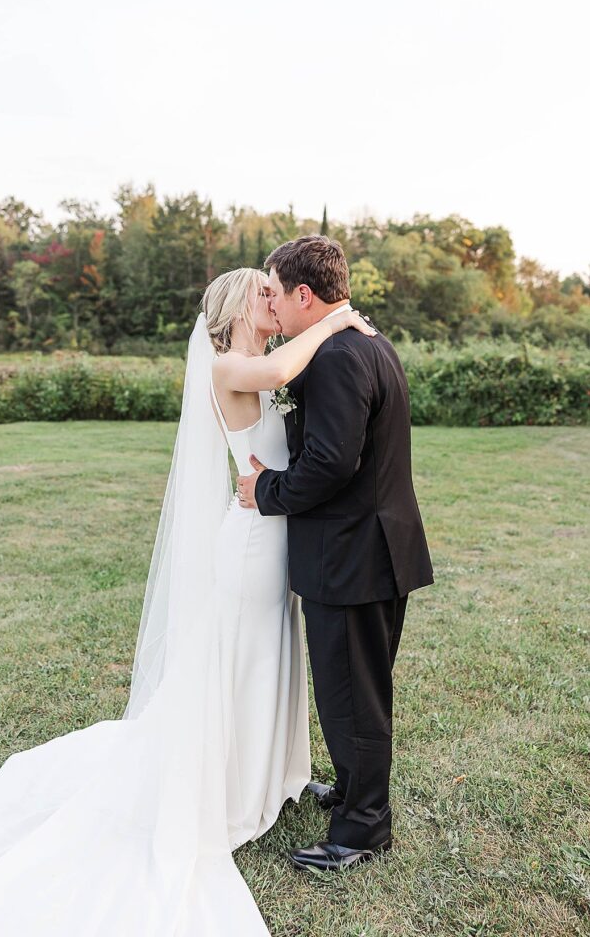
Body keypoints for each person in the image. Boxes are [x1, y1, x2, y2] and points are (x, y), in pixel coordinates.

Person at [0, 265, 374, 936]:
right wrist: (335, 320)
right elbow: (275, 381)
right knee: (240, 661)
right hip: (249, 545)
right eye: (263, 293)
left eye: (277, 291)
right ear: (240, 306)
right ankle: (231, 793)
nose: (274, 300)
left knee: (268, 657)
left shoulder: (262, 357)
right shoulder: (230, 366)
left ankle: (270, 778)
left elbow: (291, 391)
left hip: (274, 538)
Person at [237, 235, 434, 872]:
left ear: (303, 294)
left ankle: (361, 829)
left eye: (275, 290)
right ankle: (353, 791)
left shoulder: (335, 357)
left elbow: (330, 463)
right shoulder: (367, 342)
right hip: (375, 549)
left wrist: (265, 489)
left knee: (353, 696)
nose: (273, 303)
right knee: (354, 689)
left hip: (352, 557)